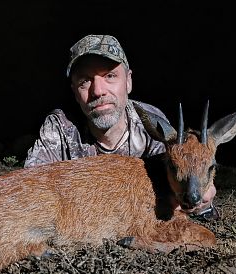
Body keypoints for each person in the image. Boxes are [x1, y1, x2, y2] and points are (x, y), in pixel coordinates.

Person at [24, 34, 218, 220]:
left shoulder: (153, 125)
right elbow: (30, 187)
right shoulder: (59, 127)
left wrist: (201, 192)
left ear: (128, 81)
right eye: (85, 81)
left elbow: (174, 186)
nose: (98, 91)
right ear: (75, 92)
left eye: (110, 75)